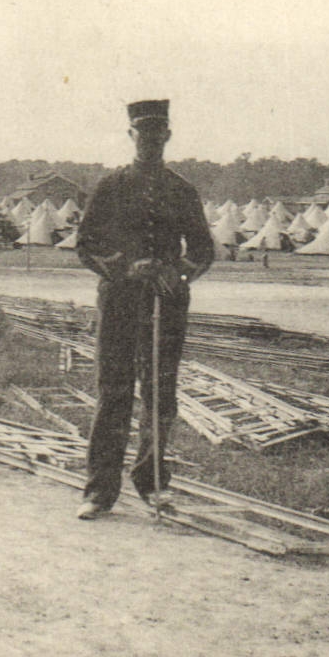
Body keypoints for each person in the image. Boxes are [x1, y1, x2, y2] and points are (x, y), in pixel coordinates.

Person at [73, 99, 215, 520]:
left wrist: (180, 273)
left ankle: (152, 483)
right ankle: (100, 491)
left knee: (160, 394)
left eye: (158, 135)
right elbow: (86, 245)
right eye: (142, 135)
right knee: (114, 391)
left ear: (167, 136)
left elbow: (204, 249)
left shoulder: (181, 189)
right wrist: (123, 266)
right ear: (131, 136)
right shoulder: (111, 186)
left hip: (167, 303)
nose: (150, 142)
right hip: (120, 300)